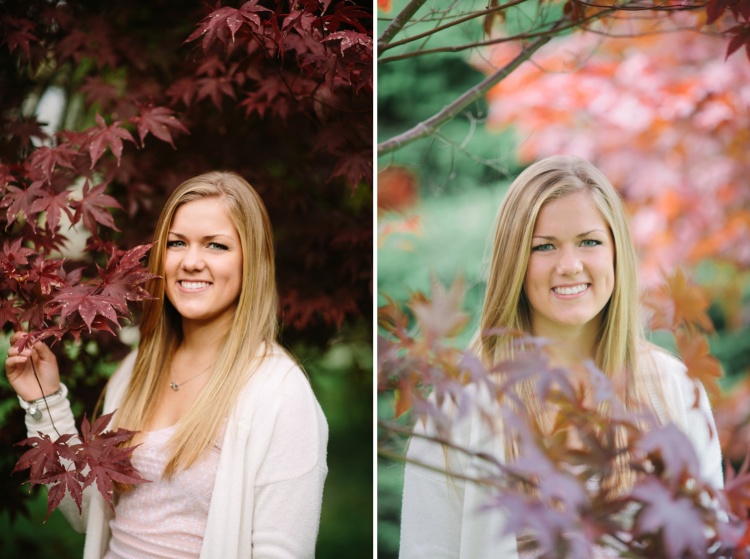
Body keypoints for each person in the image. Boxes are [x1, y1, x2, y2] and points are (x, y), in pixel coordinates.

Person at [398, 155, 723, 558]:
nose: (570, 266)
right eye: (544, 247)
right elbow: (428, 547)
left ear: (616, 252)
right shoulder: (460, 407)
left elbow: (711, 542)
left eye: (589, 242)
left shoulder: (673, 387)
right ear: (515, 261)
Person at [5, 171, 328, 559]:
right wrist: (46, 400)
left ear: (252, 260)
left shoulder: (279, 391)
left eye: (216, 246)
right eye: (177, 243)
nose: (191, 262)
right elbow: (88, 514)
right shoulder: (136, 372)